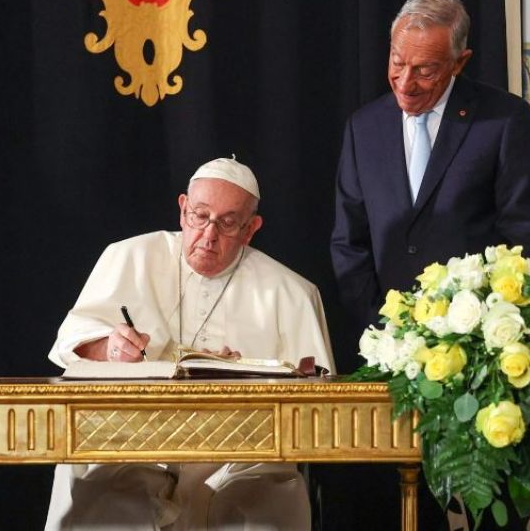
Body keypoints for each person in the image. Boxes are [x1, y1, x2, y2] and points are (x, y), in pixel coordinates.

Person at [330, 0, 530, 530]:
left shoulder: (503, 120)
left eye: (425, 70)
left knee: (489, 509)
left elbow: (522, 235)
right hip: (388, 355)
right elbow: (348, 242)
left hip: (482, 358)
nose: (405, 83)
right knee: (400, 506)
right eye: (397, 65)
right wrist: (384, 331)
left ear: (460, 62)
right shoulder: (365, 126)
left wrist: (470, 331)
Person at [45, 157, 335, 531]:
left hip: (238, 457)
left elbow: (318, 404)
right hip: (133, 443)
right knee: (99, 485)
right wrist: (110, 348)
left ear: (251, 229)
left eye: (228, 223)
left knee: (260, 495)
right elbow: (70, 345)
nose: (209, 235)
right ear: (183, 209)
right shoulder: (128, 256)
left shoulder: (292, 292)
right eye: (200, 215)